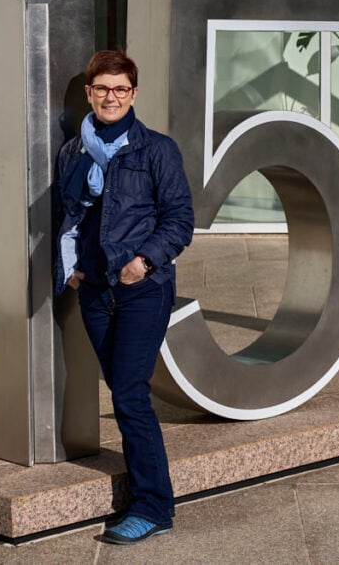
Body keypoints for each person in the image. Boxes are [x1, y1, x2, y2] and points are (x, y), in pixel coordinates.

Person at [53, 50, 194, 545]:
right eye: (101, 89)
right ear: (89, 93)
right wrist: (71, 272)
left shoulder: (156, 150)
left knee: (131, 394)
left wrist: (142, 263)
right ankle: (146, 491)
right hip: (93, 291)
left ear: (133, 94)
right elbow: (67, 217)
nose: (110, 97)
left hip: (142, 290)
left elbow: (180, 219)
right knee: (124, 392)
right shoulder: (73, 152)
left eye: (120, 89)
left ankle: (154, 506)